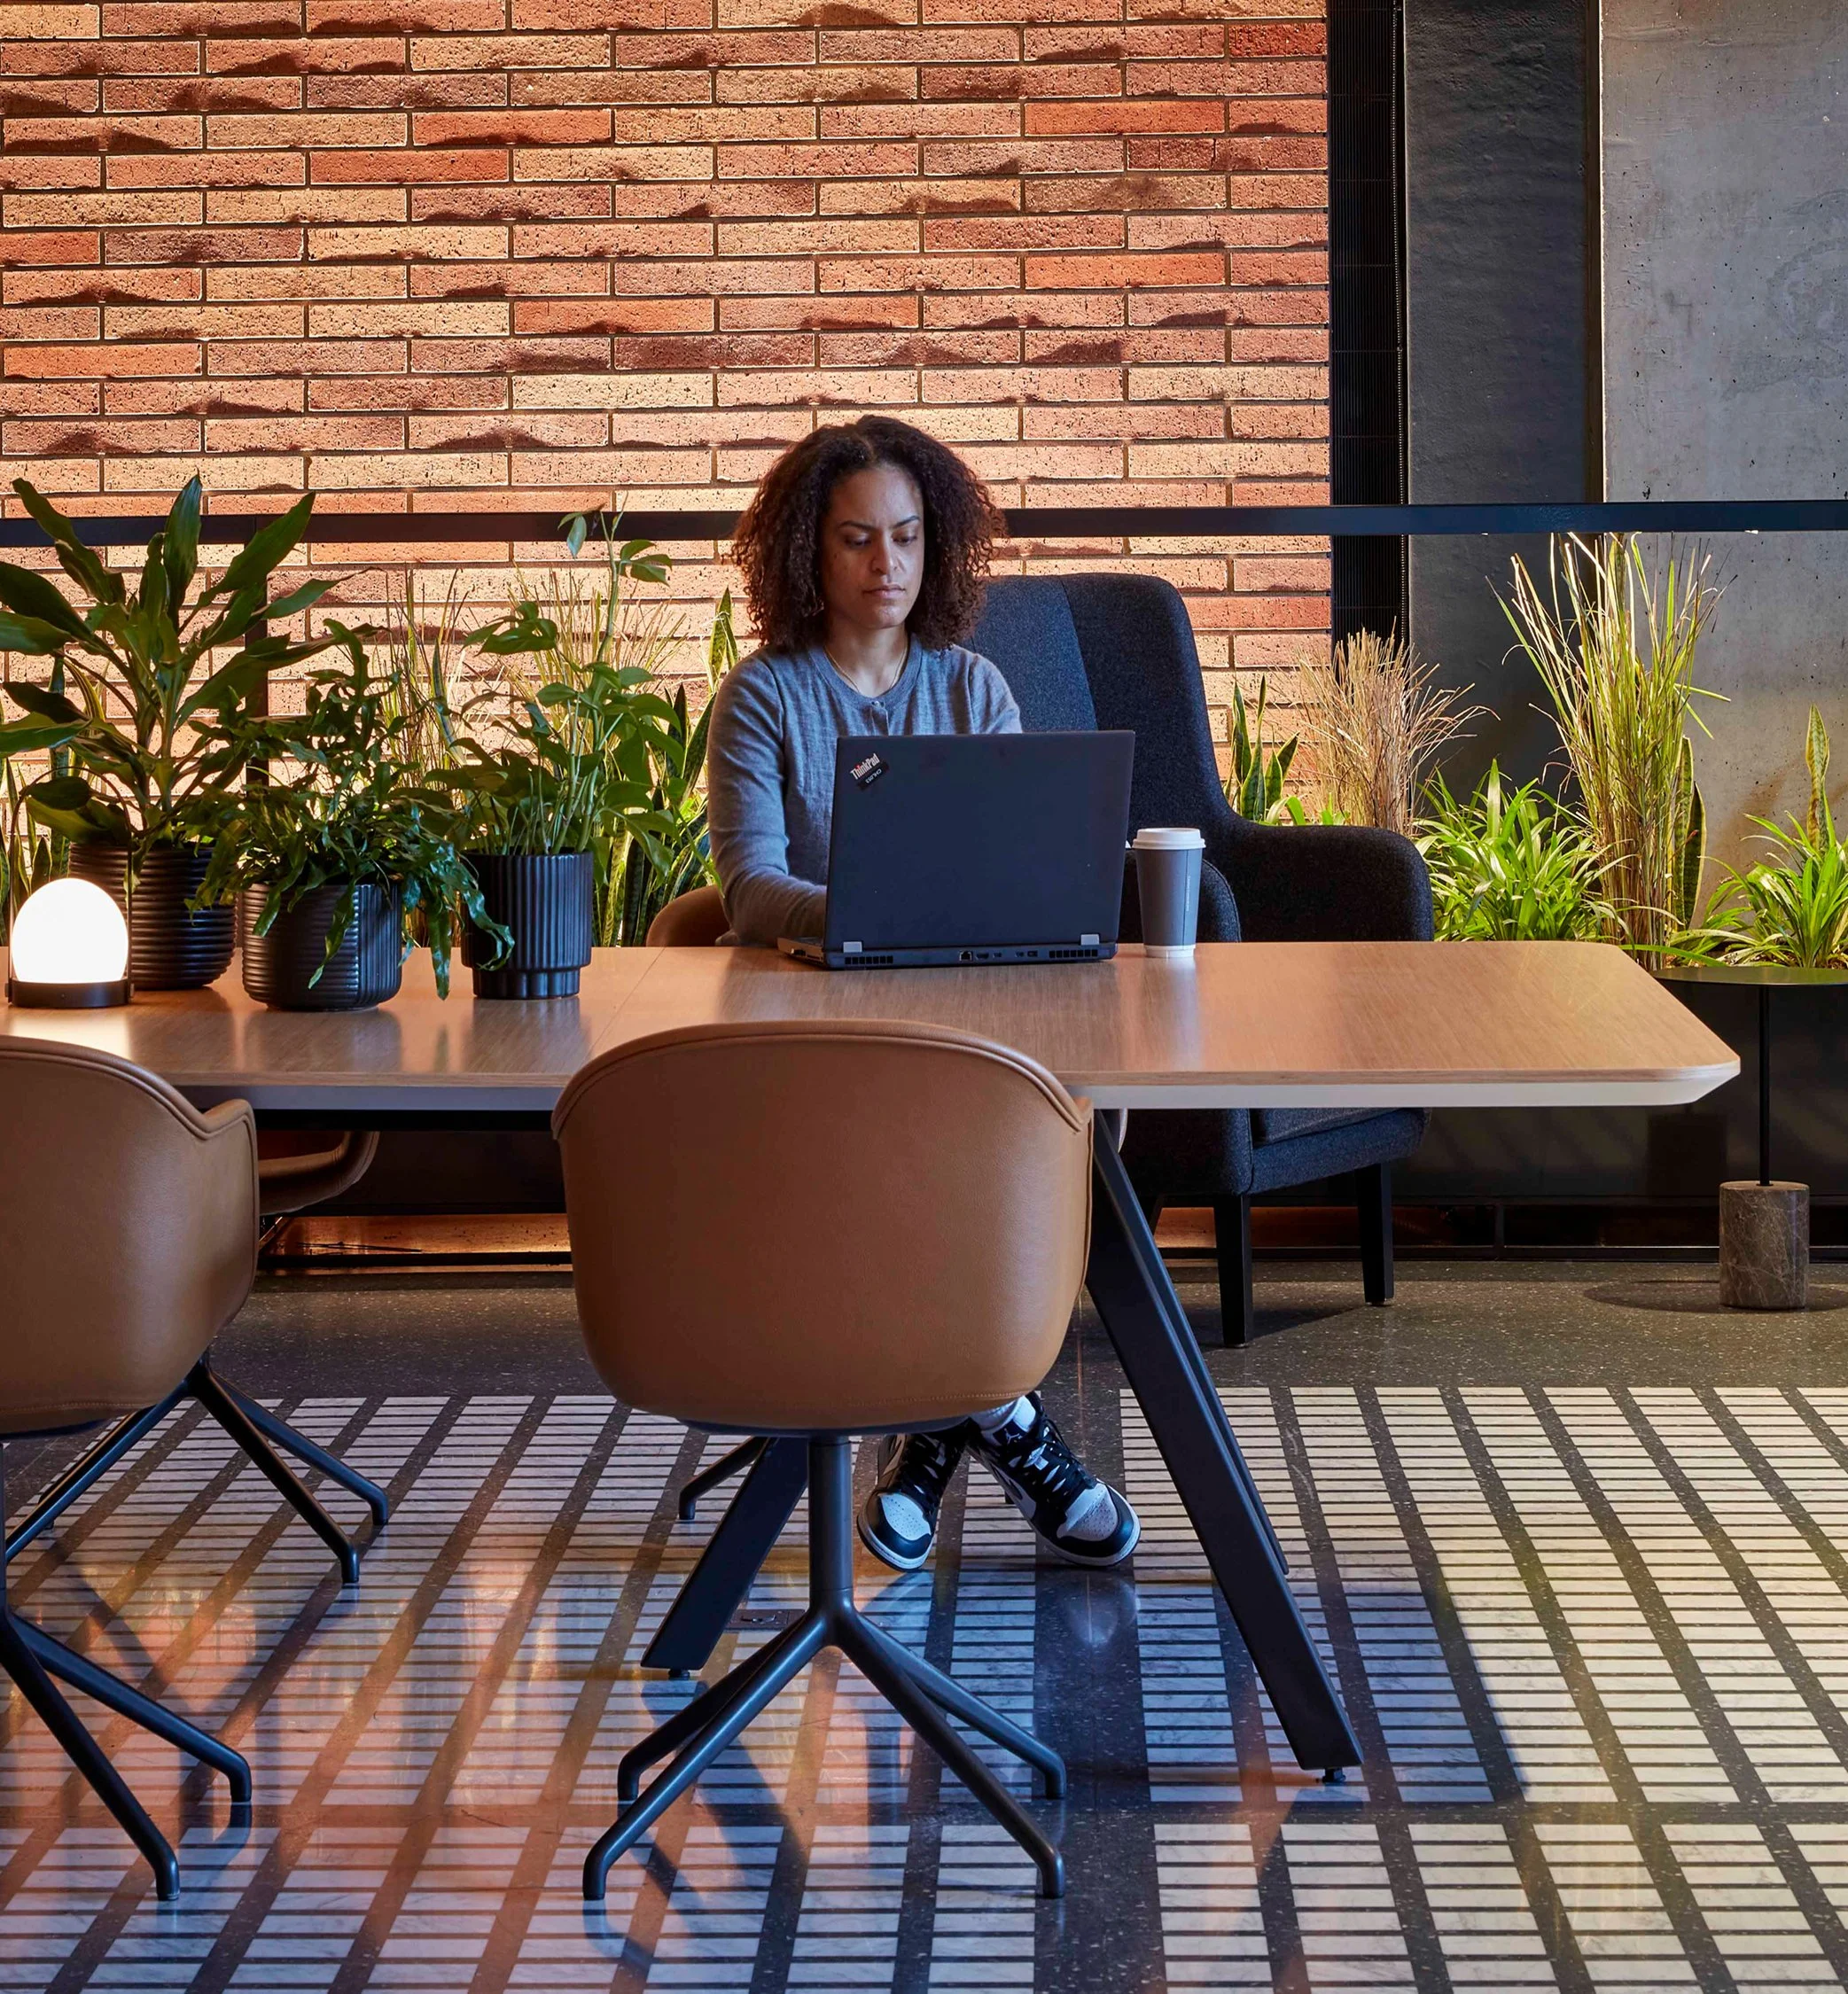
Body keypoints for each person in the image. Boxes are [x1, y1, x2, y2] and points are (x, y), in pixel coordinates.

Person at [706, 414, 1141, 1573]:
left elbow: (1010, 877)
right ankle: (1005, 1419)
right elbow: (750, 894)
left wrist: (934, 916)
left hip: (970, 1023)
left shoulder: (975, 687)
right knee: (955, 1154)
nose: (884, 565)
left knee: (1060, 1120)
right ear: (809, 554)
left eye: (904, 537)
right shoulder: (762, 699)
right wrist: (872, 916)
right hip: (820, 1043)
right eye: (856, 540)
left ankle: (938, 1442)